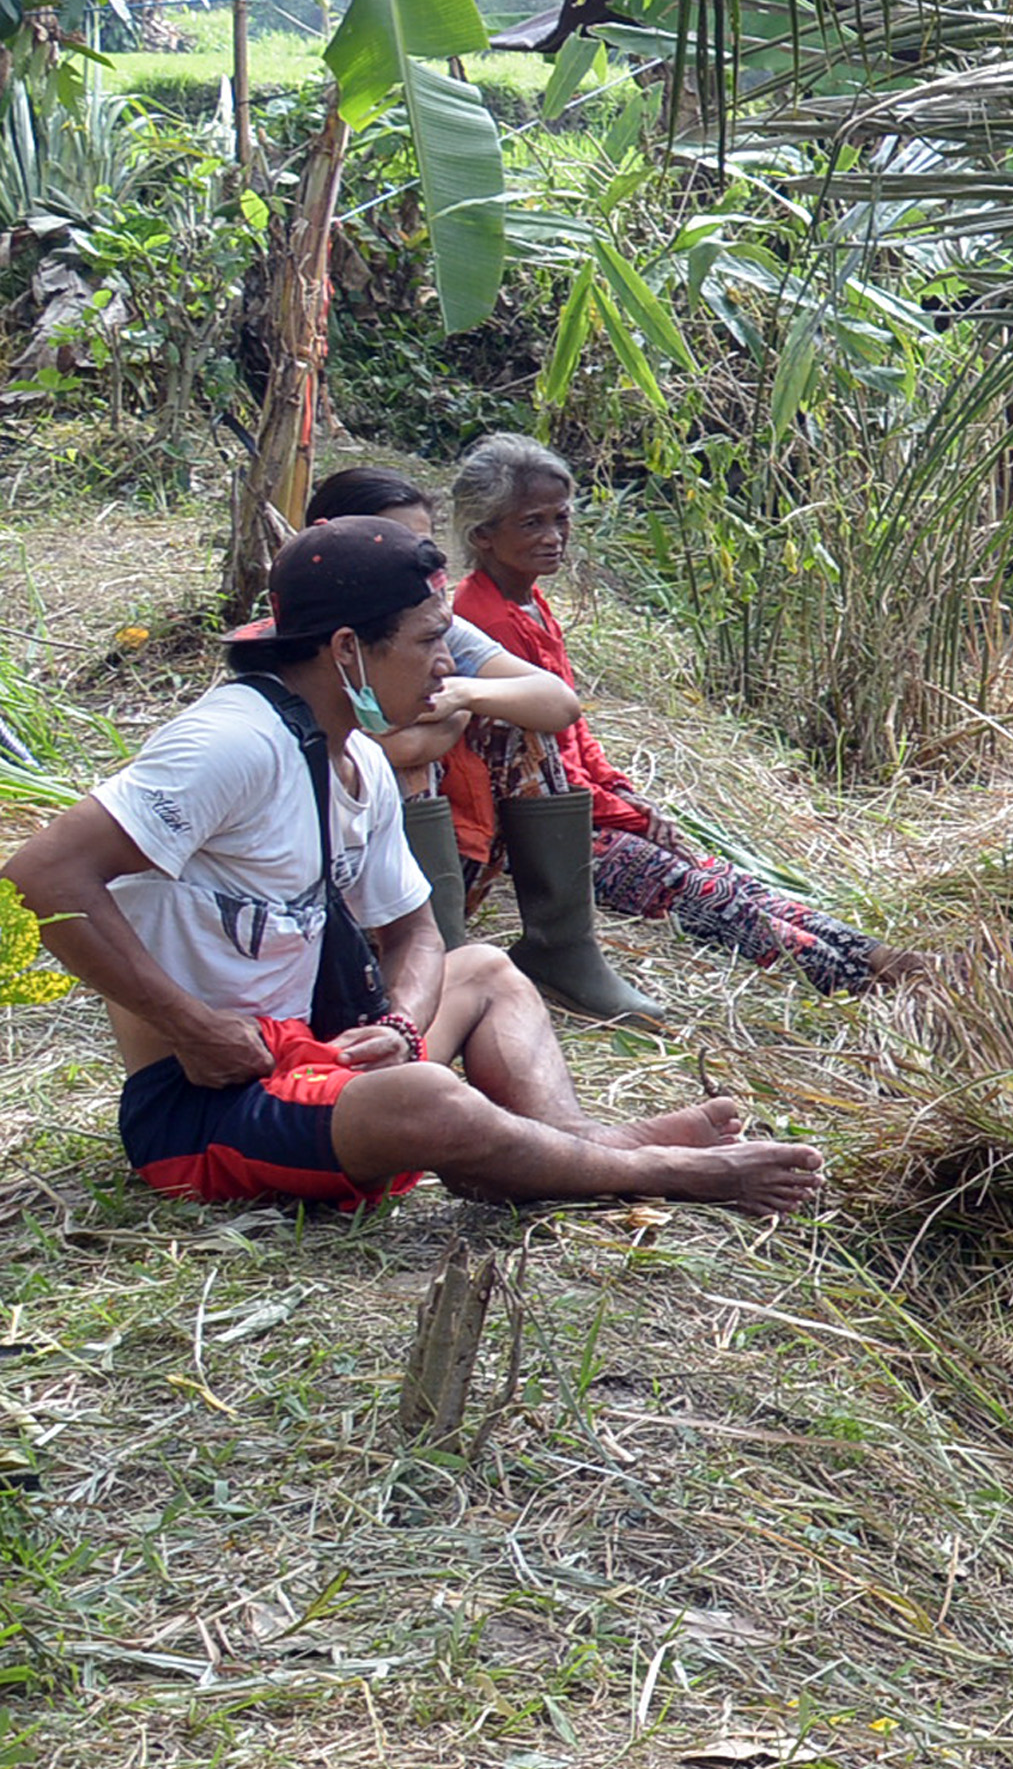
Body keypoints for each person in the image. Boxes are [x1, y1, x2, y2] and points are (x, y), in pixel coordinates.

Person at [1, 517, 825, 1216]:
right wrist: (193, 1026)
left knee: (488, 970)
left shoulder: (355, 757)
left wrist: (396, 1025)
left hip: (321, 1057)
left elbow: (415, 931)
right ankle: (655, 1171)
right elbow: (45, 874)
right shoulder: (231, 742)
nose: (449, 667)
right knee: (425, 1101)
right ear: (349, 650)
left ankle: (573, 1146)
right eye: (431, 641)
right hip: (211, 1100)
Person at [444, 433, 933, 1018]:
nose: (554, 537)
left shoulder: (529, 602)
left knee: (730, 880)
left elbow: (578, 740)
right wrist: (630, 816)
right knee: (708, 898)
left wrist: (628, 796)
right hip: (544, 827)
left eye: (561, 518)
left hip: (588, 808)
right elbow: (540, 762)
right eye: (531, 524)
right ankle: (870, 988)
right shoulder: (479, 619)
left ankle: (887, 959)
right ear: (483, 536)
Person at [298, 465, 586, 943]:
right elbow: (393, 749)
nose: (419, 568)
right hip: (329, 887)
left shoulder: (429, 619)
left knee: (516, 719)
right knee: (411, 762)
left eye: (425, 551)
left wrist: (464, 694)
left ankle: (561, 947)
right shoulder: (302, 636)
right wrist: (450, 721)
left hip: (437, 864)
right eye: (395, 547)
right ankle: (426, 950)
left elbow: (558, 702)